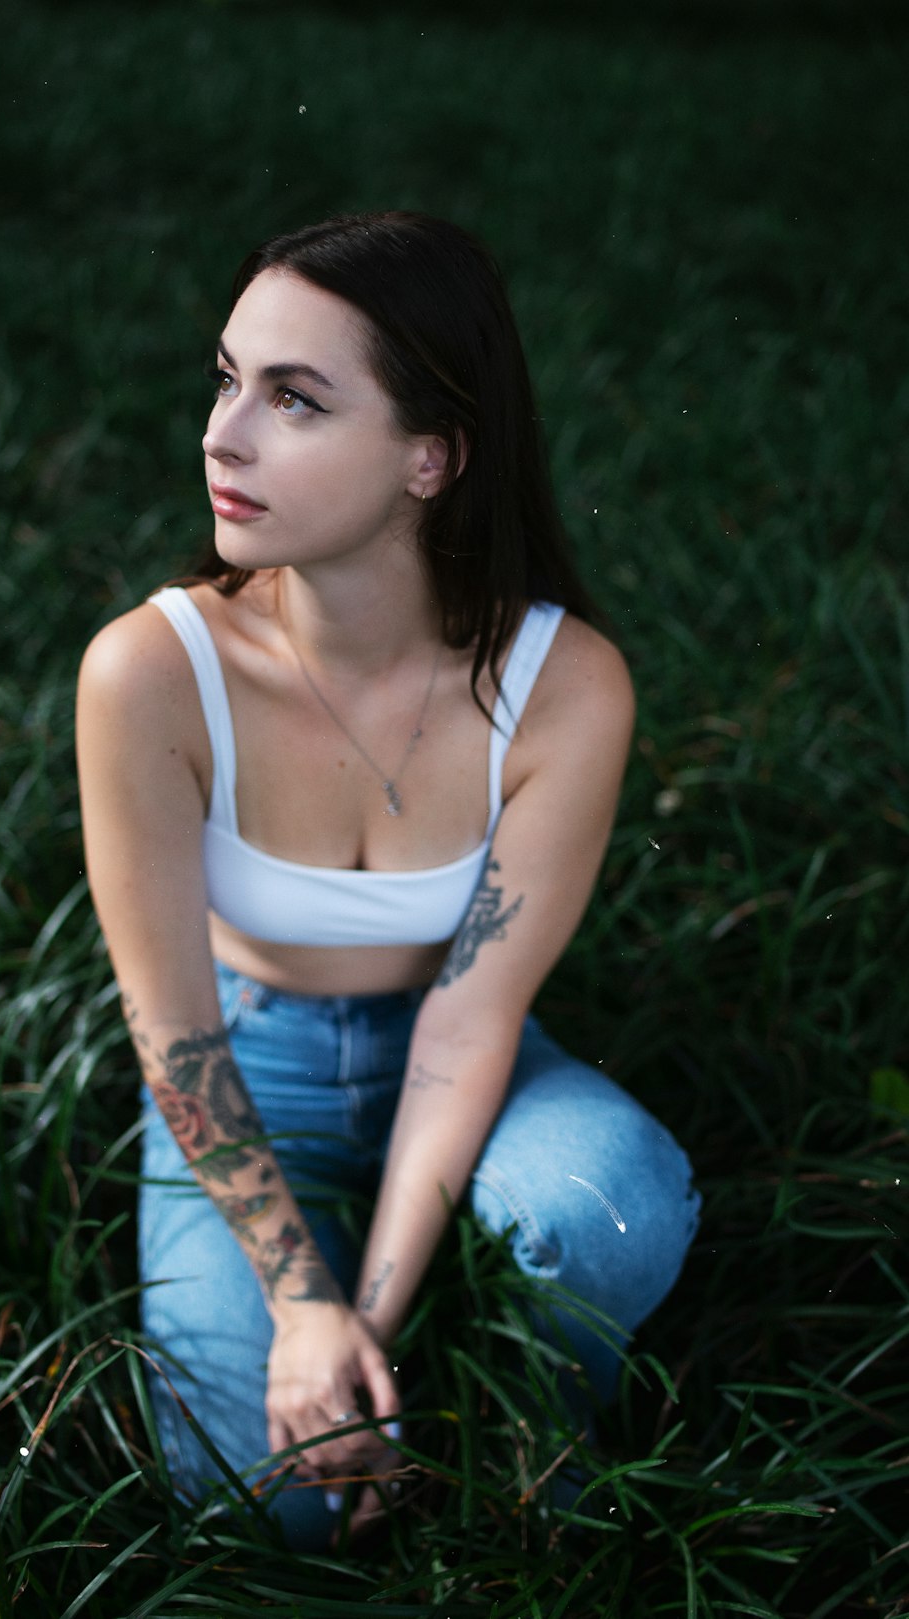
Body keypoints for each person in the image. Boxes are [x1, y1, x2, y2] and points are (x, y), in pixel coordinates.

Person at [75, 210, 700, 1552]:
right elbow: (173, 1035)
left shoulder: (562, 687)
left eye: (294, 400)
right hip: (251, 1066)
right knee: (265, 1506)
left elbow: (471, 1022)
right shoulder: (151, 673)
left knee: (608, 1207)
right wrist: (305, 1307)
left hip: (467, 1054)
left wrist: (371, 1311)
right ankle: (346, 1387)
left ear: (432, 458)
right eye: (227, 378)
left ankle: (535, 1416)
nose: (222, 436)